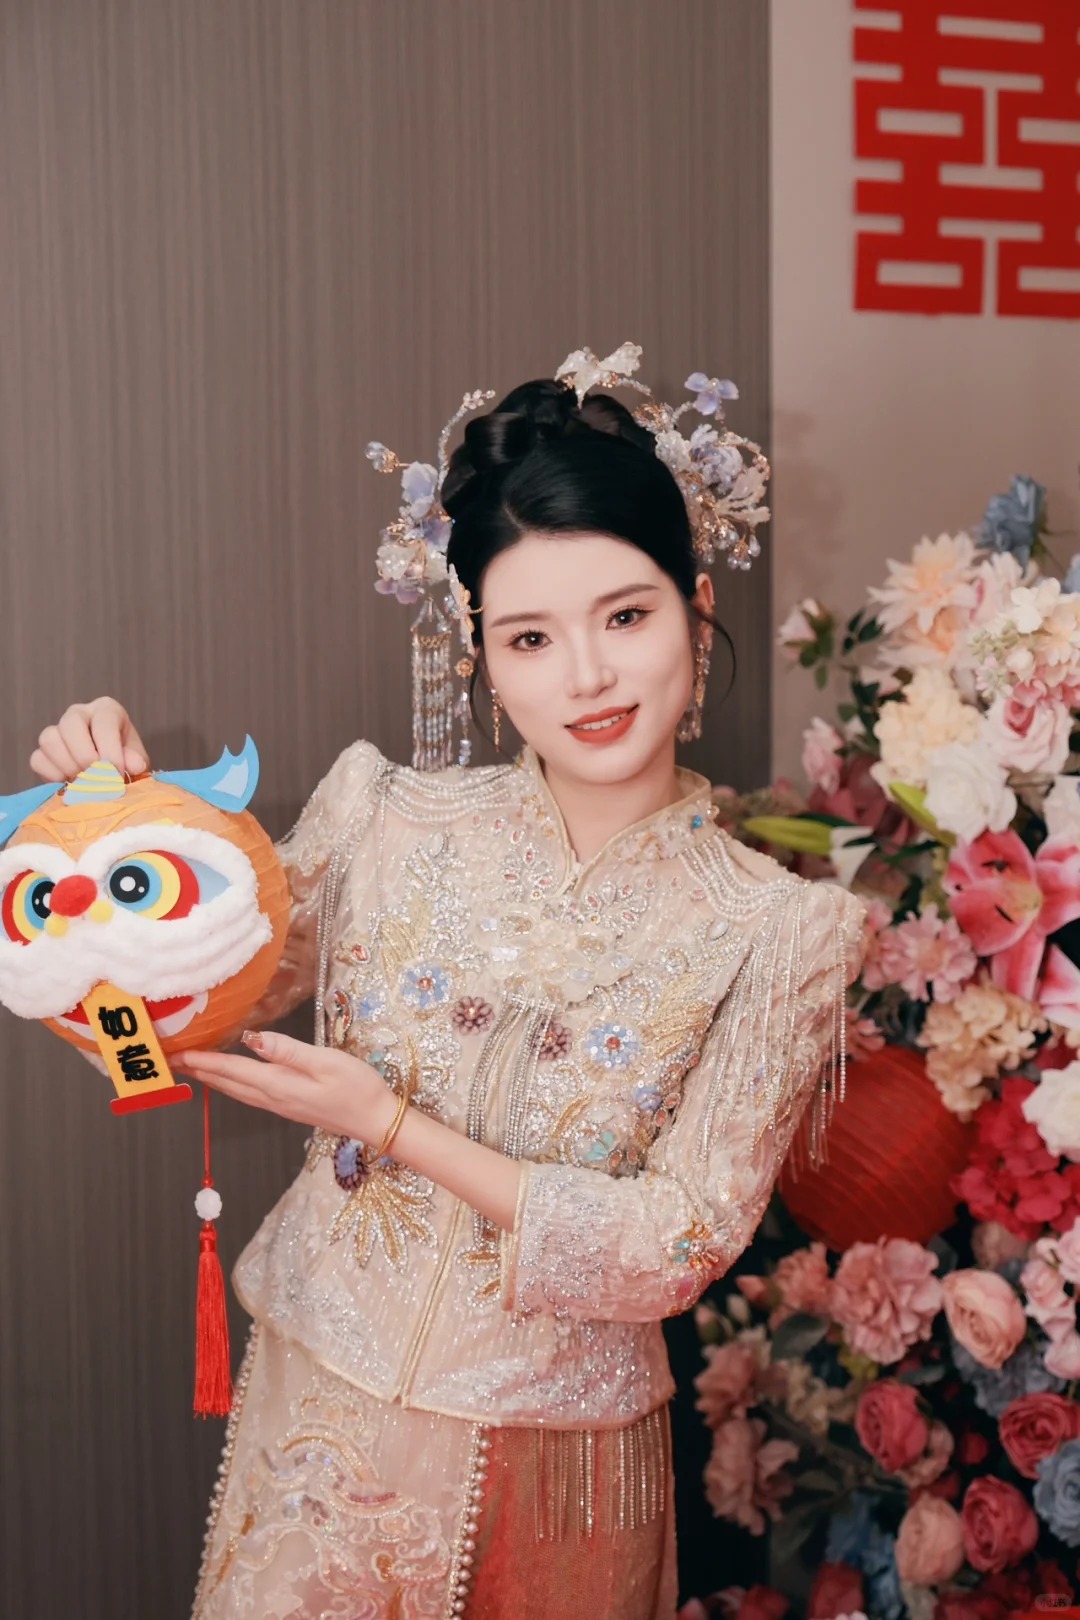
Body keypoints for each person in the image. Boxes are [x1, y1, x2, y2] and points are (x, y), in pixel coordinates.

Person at [31, 348, 867, 1620]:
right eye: (530, 637)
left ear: (697, 610)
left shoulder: (781, 930)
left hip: (563, 1469)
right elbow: (149, 1031)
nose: (586, 677)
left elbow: (676, 1244)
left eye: (625, 617)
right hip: (323, 1421)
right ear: (479, 655)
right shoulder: (382, 817)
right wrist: (117, 843)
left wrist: (389, 1126)